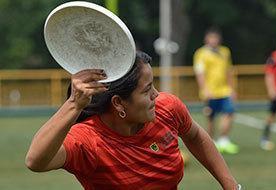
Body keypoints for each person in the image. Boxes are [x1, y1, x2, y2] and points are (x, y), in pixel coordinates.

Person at [25, 51, 241, 190]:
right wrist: (74, 103)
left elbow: (195, 135)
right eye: (147, 90)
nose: (157, 95)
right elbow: (35, 161)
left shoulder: (167, 108)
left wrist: (231, 186)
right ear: (119, 103)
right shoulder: (89, 141)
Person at [193, 28, 238, 154]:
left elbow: (228, 70)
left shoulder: (225, 51)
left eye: (216, 38)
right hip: (210, 92)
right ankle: (210, 142)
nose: (214, 40)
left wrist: (232, 88)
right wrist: (205, 89)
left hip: (224, 90)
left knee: (229, 112)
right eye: (211, 38)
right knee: (211, 118)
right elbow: (200, 73)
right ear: (206, 39)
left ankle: (224, 140)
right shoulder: (201, 53)